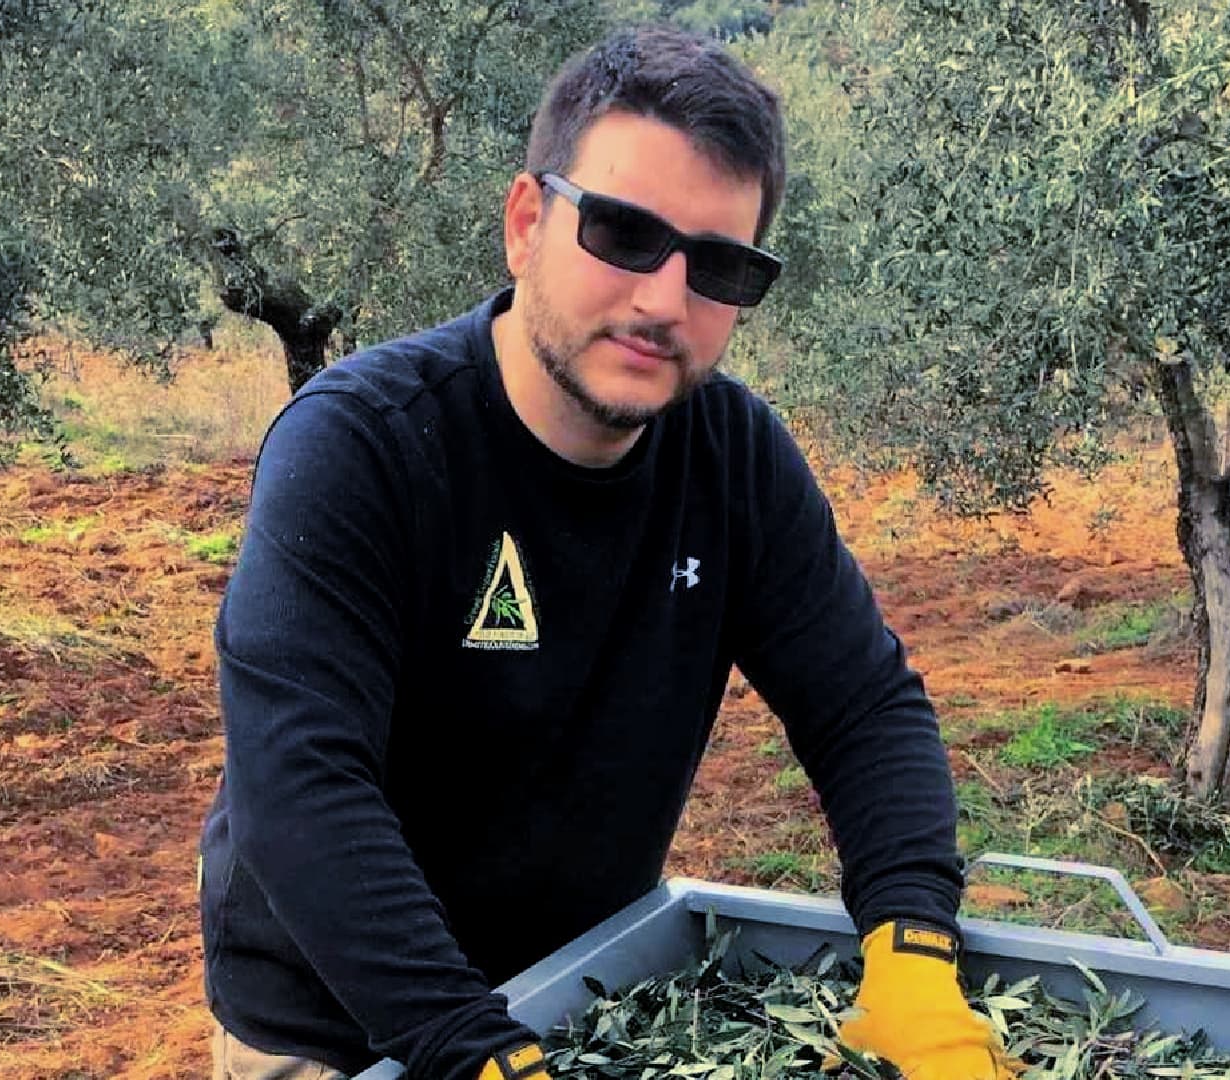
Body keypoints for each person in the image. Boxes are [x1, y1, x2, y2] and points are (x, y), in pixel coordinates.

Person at [199, 24, 1011, 1080]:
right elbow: (301, 787)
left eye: (719, 266)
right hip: (352, 1030)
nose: (663, 301)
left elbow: (864, 706)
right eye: (624, 235)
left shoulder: (736, 458)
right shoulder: (363, 445)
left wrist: (910, 951)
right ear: (527, 223)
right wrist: (472, 1051)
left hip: (588, 997)